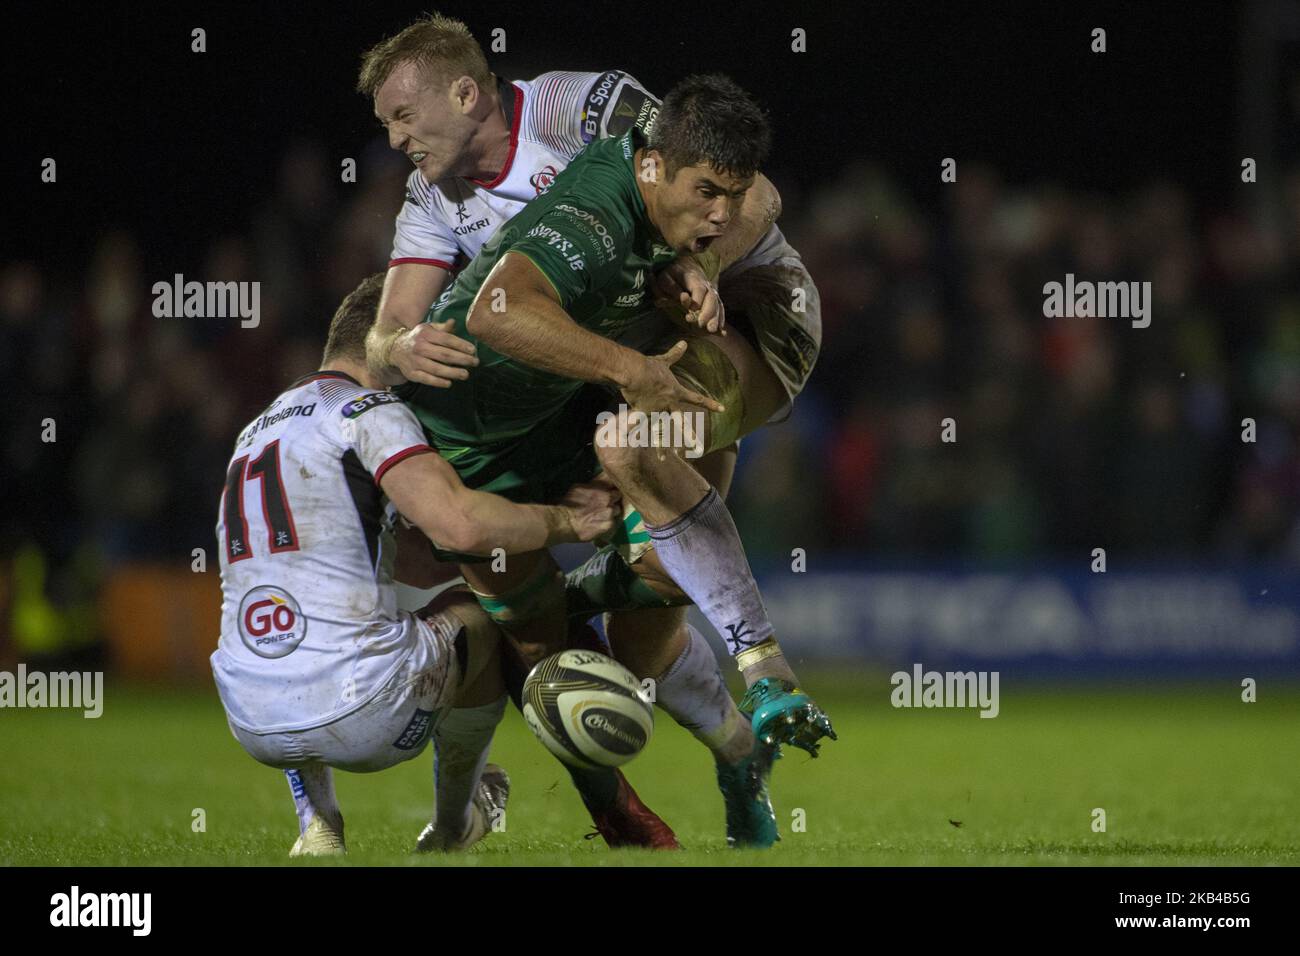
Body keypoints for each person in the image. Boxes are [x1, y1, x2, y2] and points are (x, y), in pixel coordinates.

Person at [358, 21, 834, 846]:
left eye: (403, 116)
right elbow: (383, 335)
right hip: (588, 384)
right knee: (620, 618)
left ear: (465, 94)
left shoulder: (582, 109)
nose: (394, 138)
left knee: (633, 503)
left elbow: (741, 188)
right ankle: (719, 757)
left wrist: (698, 262)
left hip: (743, 326)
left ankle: (760, 668)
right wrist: (396, 344)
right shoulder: (431, 203)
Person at [210, 274, 620, 856]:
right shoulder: (370, 409)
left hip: (248, 714)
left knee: (303, 611)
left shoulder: (257, 429)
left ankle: (318, 822)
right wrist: (567, 522)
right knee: (479, 611)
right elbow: (460, 525)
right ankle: (455, 822)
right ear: (393, 338)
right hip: (366, 715)